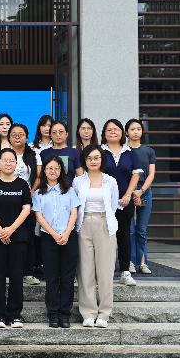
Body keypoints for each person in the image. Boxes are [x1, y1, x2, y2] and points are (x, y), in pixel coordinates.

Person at [0, 148, 32, 328]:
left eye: (11, 160)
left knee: (16, 276)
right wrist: (0, 231)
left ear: (16, 164)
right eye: (5, 160)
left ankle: (15, 315)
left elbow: (26, 209)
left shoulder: (22, 184)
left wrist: (10, 229)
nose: (8, 163)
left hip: (18, 237)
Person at [72, 145, 120, 327]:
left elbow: (113, 206)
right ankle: (88, 313)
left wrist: (105, 221)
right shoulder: (78, 181)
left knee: (105, 271)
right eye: (89, 158)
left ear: (102, 159)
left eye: (96, 158)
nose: (93, 161)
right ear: (84, 161)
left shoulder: (110, 181)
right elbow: (75, 205)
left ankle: (104, 314)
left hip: (104, 224)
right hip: (83, 224)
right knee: (85, 270)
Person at [33, 156, 80, 329]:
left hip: (69, 237)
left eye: (57, 168)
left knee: (67, 277)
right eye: (50, 168)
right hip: (49, 238)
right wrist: (54, 235)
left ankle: (65, 314)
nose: (53, 171)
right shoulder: (39, 192)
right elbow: (39, 217)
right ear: (44, 171)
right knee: (52, 277)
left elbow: (74, 213)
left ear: (61, 171)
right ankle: (53, 314)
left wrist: (66, 233)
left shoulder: (69, 190)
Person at [0, 123, 41, 286]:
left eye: (20, 134)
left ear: (27, 137)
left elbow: (38, 177)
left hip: (27, 203)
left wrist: (30, 193)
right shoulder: (4, 154)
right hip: (6, 202)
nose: (17, 137)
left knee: (28, 237)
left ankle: (28, 272)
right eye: (13, 134)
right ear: (9, 137)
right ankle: (8, 272)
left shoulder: (33, 154)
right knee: (7, 237)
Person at [101, 119, 142, 286]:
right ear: (104, 133)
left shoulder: (129, 152)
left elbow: (136, 174)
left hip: (124, 202)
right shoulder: (100, 151)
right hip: (103, 203)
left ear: (122, 133)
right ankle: (103, 272)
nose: (113, 132)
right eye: (109, 129)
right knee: (104, 237)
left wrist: (128, 195)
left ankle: (125, 271)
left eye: (116, 129)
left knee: (124, 236)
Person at [126, 119, 155, 275]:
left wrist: (141, 191)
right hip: (128, 191)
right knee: (129, 230)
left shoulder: (149, 151)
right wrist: (132, 192)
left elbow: (151, 174)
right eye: (132, 129)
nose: (136, 132)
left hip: (145, 190)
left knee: (141, 230)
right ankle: (130, 262)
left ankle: (142, 263)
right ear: (126, 132)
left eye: (138, 129)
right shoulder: (124, 151)